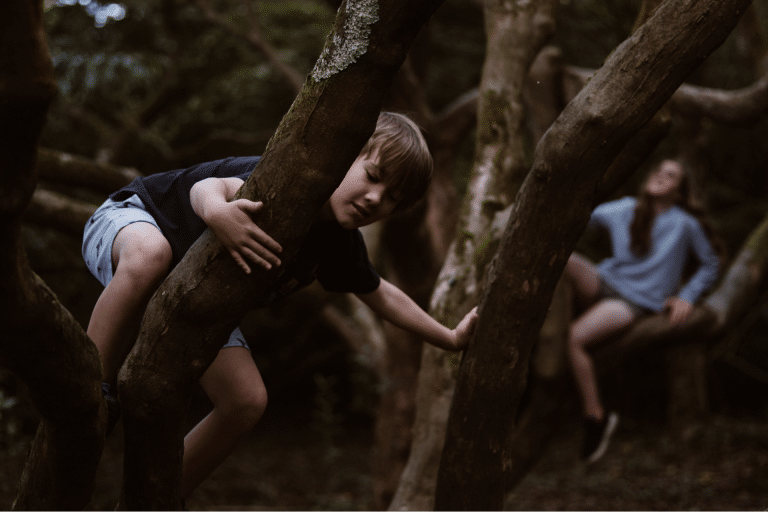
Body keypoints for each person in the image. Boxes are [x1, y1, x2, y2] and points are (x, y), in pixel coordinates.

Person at [82, 112, 479, 499]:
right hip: (131, 220)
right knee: (151, 255)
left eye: (393, 198)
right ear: (343, 156)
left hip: (194, 299)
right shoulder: (286, 180)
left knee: (246, 401)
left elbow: (382, 294)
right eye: (373, 176)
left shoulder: (338, 244)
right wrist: (219, 214)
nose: (376, 198)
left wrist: (449, 337)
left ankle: (159, 497)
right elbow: (206, 188)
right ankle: (90, 388)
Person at [564, 158, 720, 464]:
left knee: (573, 339)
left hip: (634, 301)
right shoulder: (625, 208)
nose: (661, 176)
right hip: (604, 282)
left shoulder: (684, 224)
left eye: (671, 175)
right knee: (563, 259)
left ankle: (596, 416)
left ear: (679, 190)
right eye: (659, 170)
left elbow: (711, 263)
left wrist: (687, 296)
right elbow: (579, 215)